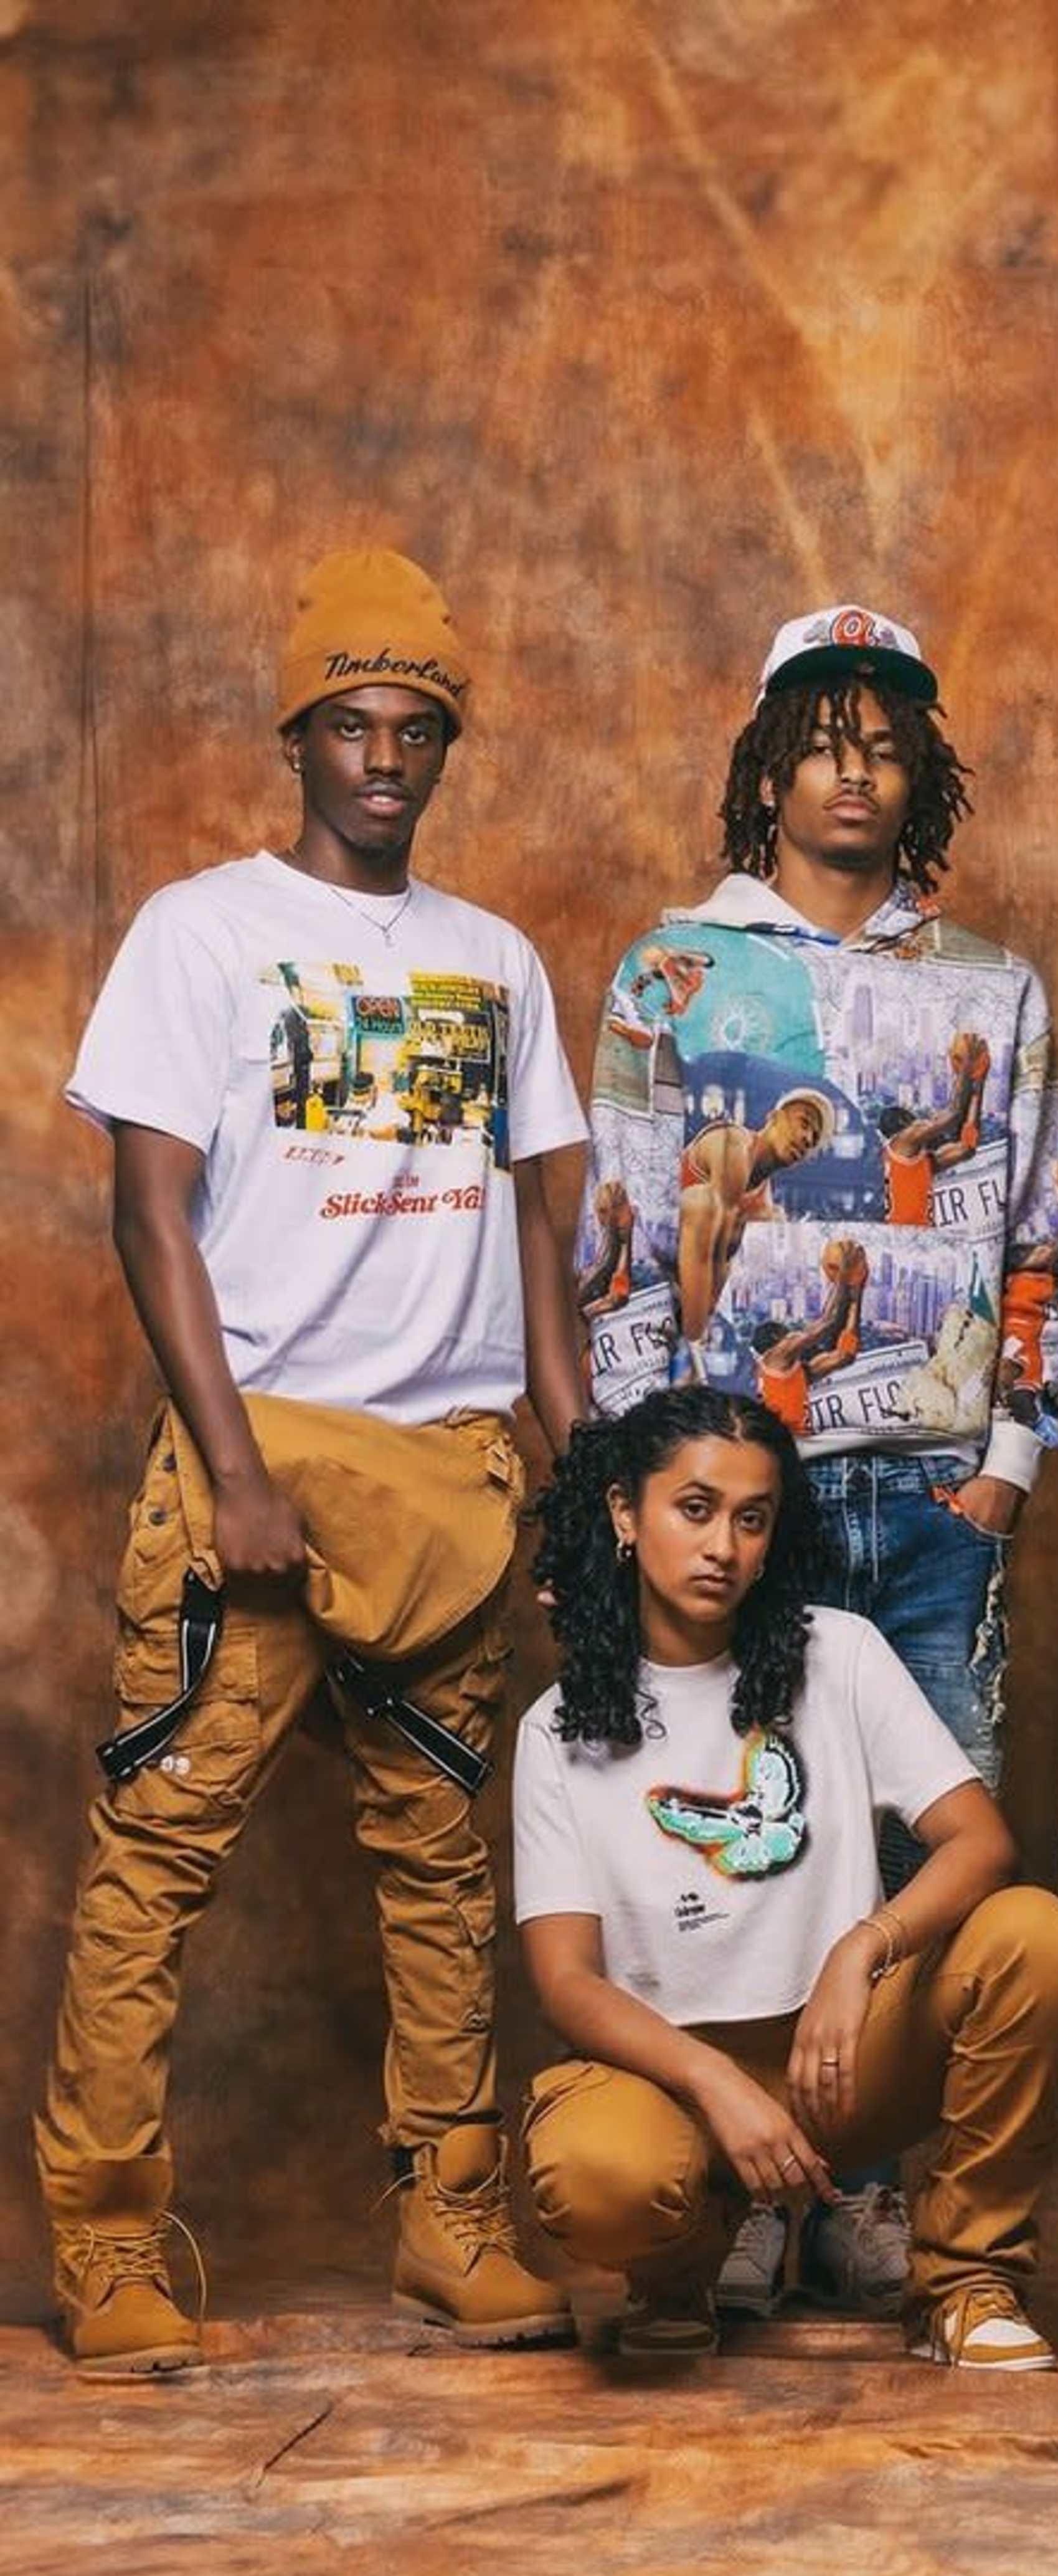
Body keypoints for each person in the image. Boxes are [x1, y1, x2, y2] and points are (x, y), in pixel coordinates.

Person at [37, 547, 588, 2376]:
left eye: (414, 726)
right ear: (298, 732)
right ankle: (107, 2238)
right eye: (350, 722)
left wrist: (563, 1469)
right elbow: (151, 1214)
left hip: (446, 1474)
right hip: (258, 1463)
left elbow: (539, 1237)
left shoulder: (493, 960)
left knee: (442, 1873)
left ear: (445, 745)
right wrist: (232, 1470)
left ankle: (450, 2216)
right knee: (158, 1854)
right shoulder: (201, 931)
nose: (382, 755)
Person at [577, 603, 1058, 2323]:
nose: (854, 773)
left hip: (934, 1477)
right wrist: (631, 1480)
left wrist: (1013, 1443)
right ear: (769, 762)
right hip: (741, 1483)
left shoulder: (989, 989)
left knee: (926, 1832)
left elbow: (1038, 1225)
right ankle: (739, 2186)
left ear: (920, 771)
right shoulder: (676, 971)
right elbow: (628, 1239)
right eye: (824, 738)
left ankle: (869, 2194)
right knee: (743, 1828)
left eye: (887, 744)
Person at [514, 1387, 1058, 2367]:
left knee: (1038, 1936)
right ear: (625, 1513)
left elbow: (980, 1843)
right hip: (674, 2082)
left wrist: (862, 1951)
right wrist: (709, 2080)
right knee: (596, 2171)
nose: (724, 1548)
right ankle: (677, 2271)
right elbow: (566, 1981)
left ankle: (961, 2282)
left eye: (753, 1518)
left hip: (839, 2063)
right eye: (694, 1509)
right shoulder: (557, 1727)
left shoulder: (839, 1653)